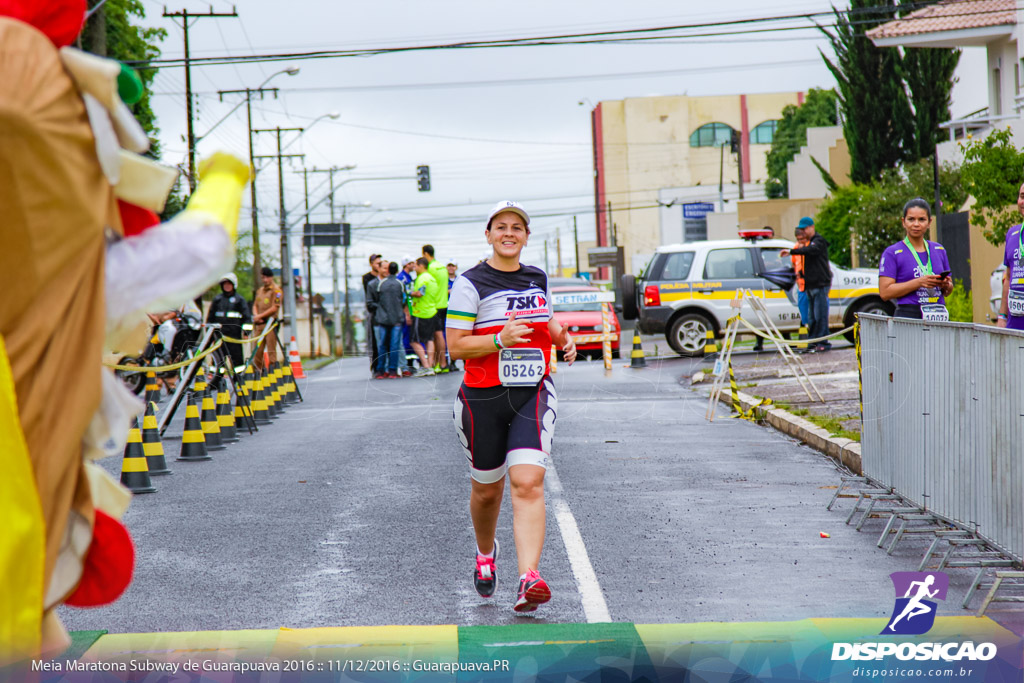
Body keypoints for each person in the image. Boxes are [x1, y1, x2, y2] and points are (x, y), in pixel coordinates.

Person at [447, 200, 577, 614]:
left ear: (525, 236)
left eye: (517, 227)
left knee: (527, 482)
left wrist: (562, 339)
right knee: (487, 492)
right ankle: (486, 555)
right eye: (500, 227)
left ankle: (528, 578)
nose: (509, 233)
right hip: (482, 398)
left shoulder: (536, 277)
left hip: (531, 394)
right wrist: (499, 340)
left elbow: (546, 319)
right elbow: (455, 346)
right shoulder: (470, 283)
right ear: (488, 235)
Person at [878, 198, 953, 320]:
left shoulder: (939, 250)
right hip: (909, 315)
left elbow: (948, 290)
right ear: (903, 222)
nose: (916, 224)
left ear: (929, 222)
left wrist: (946, 285)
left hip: (938, 314)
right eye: (911, 219)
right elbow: (885, 293)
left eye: (922, 219)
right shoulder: (893, 252)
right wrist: (918, 282)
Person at [781, 216, 832, 352]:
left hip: (820, 284)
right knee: (812, 316)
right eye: (801, 229)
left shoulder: (818, 242)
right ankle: (813, 342)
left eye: (805, 229)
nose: (803, 232)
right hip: (809, 285)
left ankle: (822, 342)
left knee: (820, 314)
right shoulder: (807, 244)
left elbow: (811, 251)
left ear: (812, 227)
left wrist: (792, 251)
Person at [207, 273, 251, 371]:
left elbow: (247, 317)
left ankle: (238, 380)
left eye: (229, 284)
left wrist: (246, 332)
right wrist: (210, 335)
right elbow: (210, 318)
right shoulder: (217, 300)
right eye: (224, 284)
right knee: (218, 362)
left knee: (237, 362)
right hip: (219, 336)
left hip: (234, 336)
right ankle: (216, 382)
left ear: (234, 285)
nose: (227, 286)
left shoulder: (239, 300)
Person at [996, 182, 1024, 330]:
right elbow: (1008, 277)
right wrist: (1002, 316)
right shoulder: (1012, 234)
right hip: (1015, 324)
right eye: (1022, 197)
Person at [375, 262, 405, 378]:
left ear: (388, 271)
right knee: (394, 346)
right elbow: (403, 300)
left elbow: (378, 299)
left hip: (383, 319)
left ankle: (380, 370)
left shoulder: (381, 284)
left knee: (382, 345)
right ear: (397, 271)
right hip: (397, 318)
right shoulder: (400, 284)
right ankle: (393, 370)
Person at [409, 257, 438, 375]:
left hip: (420, 313)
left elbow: (420, 293)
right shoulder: (432, 278)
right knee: (429, 339)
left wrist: (409, 292)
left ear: (421, 266)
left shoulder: (422, 278)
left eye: (416, 265)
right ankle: (430, 365)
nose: (414, 268)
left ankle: (426, 365)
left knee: (414, 340)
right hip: (431, 310)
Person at [423, 245, 450, 373]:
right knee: (440, 335)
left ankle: (440, 364)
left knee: (437, 336)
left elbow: (429, 287)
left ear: (426, 254)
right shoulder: (442, 266)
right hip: (444, 304)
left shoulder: (430, 268)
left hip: (435, 305)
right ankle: (442, 363)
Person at [252, 267, 282, 371]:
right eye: (263, 278)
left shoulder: (277, 290)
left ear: (271, 277)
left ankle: (273, 374)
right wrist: (256, 316)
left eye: (267, 278)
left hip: (270, 324)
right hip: (259, 324)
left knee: (271, 351)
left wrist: (260, 316)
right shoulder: (260, 291)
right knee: (257, 350)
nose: (265, 280)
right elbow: (255, 305)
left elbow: (275, 307)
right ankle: (259, 373)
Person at [363, 254, 382, 373]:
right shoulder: (367, 278)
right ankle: (375, 365)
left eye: (381, 263)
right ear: (371, 264)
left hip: (386, 311)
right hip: (374, 312)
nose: (379, 266)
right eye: (377, 263)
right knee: (374, 340)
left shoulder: (385, 277)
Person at [792, 226, 810, 328]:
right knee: (804, 312)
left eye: (802, 239)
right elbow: (794, 263)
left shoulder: (810, 247)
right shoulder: (796, 248)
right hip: (801, 285)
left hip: (811, 284)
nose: (800, 242)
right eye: (798, 239)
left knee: (813, 313)